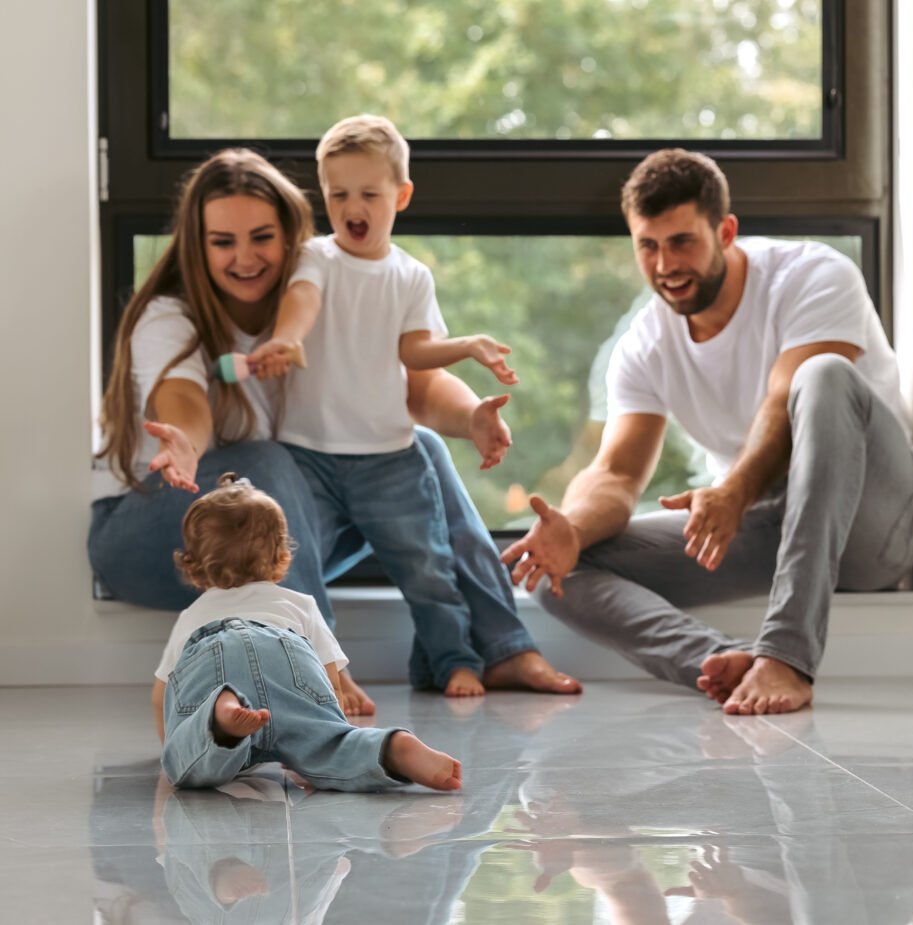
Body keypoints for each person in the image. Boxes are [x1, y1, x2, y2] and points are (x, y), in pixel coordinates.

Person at [88, 148, 580, 717]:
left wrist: (473, 416)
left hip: (261, 539)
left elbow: (413, 389)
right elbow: (185, 401)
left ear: (291, 236)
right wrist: (184, 442)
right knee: (262, 463)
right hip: (153, 529)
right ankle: (311, 667)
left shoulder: (312, 300)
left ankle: (500, 645)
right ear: (197, 247)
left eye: (262, 237)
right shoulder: (170, 319)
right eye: (222, 241)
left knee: (414, 447)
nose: (244, 257)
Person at [503, 147, 913, 715]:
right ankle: (727, 662)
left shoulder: (812, 274)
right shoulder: (644, 345)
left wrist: (731, 491)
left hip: (875, 521)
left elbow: (785, 403)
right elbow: (615, 473)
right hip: (769, 523)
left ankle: (788, 656)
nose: (665, 265)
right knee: (552, 572)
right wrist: (573, 529)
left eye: (682, 241)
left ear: (725, 231)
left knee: (823, 375)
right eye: (648, 246)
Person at [247, 115, 574, 700]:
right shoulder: (315, 259)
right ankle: (322, 670)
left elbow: (415, 352)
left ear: (400, 196)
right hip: (308, 458)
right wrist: (289, 338)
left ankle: (452, 662)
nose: (353, 205)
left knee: (429, 568)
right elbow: (303, 301)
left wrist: (469, 348)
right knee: (291, 563)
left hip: (389, 458)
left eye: (369, 194)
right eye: (338, 193)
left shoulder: (410, 275)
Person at [150, 472, 462, 793]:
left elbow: (161, 696)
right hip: (282, 648)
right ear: (283, 556)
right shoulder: (298, 603)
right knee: (333, 747)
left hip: (213, 651)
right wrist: (326, 729)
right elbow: (331, 680)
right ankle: (392, 749)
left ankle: (219, 720)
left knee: (192, 765)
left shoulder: (193, 614)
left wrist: (175, 741)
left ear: (193, 565)